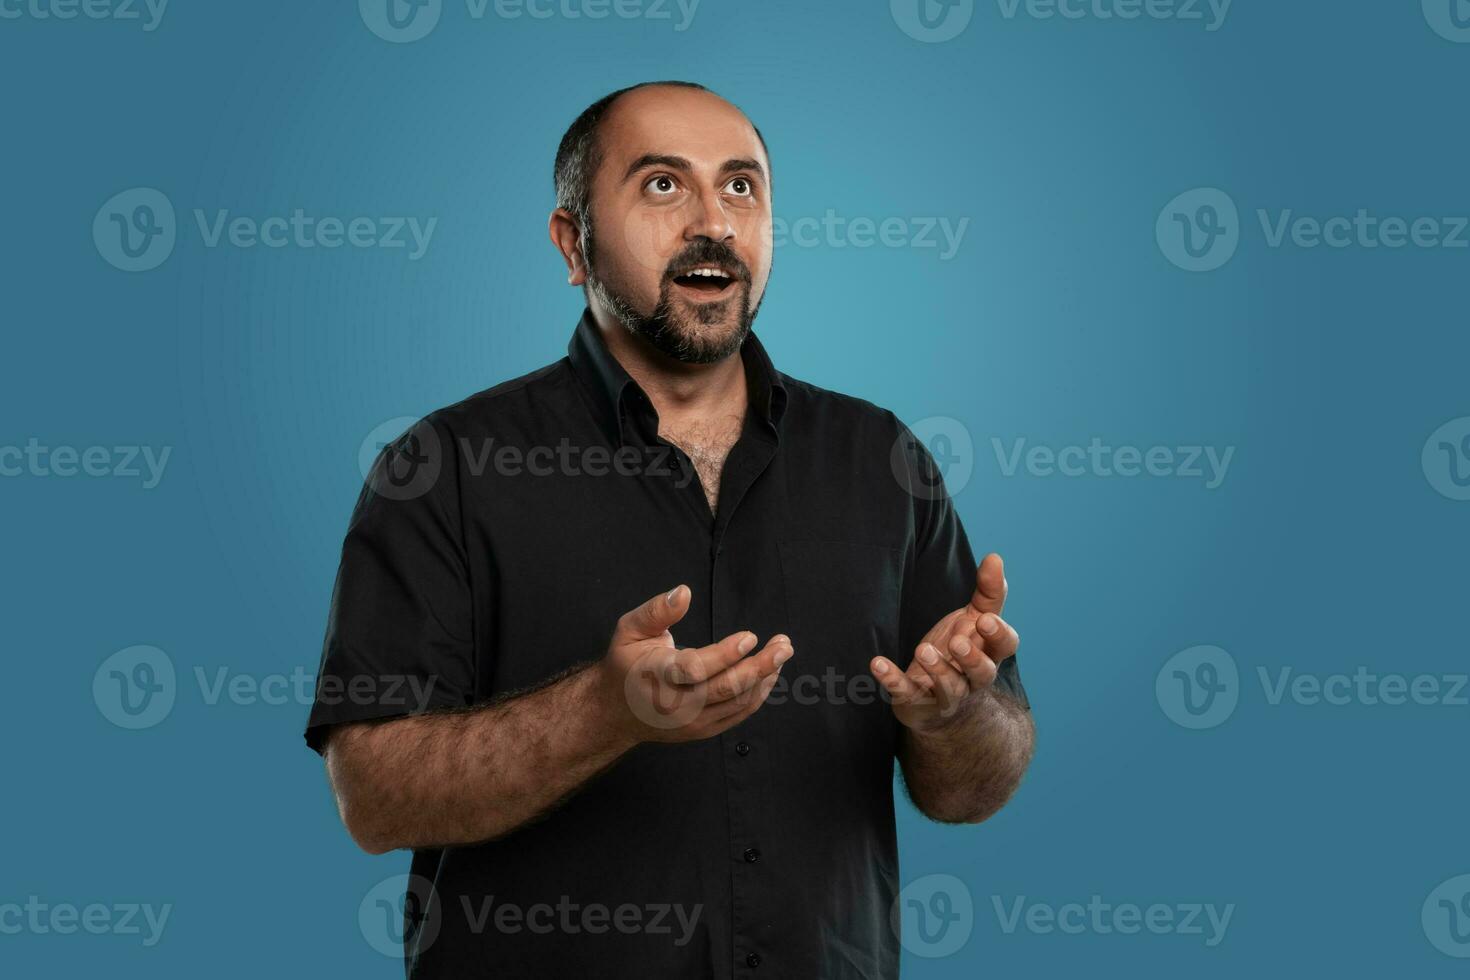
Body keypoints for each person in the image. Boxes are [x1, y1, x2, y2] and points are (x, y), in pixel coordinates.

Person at [306, 80, 1034, 979]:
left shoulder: (881, 457)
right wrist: (601, 713)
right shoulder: (447, 468)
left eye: (741, 187)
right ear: (573, 244)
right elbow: (371, 797)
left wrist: (956, 717)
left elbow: (974, 787)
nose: (714, 223)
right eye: (661, 185)